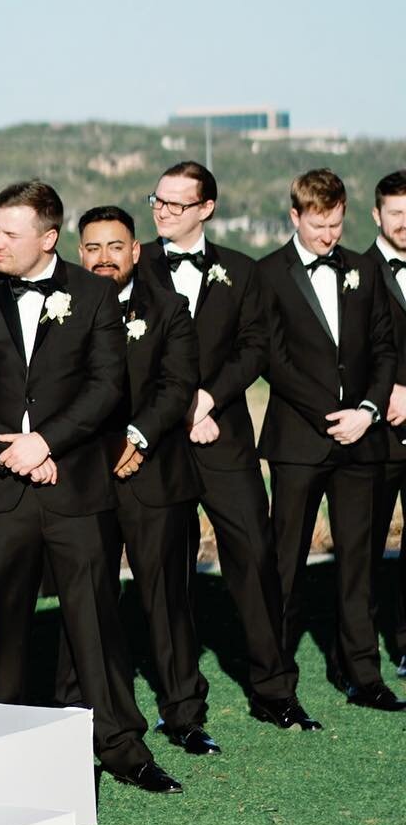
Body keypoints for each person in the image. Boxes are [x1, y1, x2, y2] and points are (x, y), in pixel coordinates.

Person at [0, 181, 179, 793]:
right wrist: (13, 452)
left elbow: (107, 388)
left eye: (9, 233)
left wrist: (46, 444)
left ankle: (122, 748)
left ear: (47, 238)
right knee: (1, 630)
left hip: (76, 487)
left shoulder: (94, 294)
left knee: (95, 623)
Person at [138, 160, 319, 731]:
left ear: (206, 209)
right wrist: (173, 410)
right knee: (168, 570)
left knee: (256, 557)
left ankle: (274, 690)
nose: (163, 212)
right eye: (157, 201)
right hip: (158, 443)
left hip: (224, 439)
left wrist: (207, 401)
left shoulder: (242, 270)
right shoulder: (133, 264)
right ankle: (182, 708)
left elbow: (254, 348)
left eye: (176, 204)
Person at [66, 206, 212, 753]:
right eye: (93, 248)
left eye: (114, 246)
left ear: (135, 250)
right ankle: (82, 712)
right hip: (85, 477)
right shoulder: (64, 310)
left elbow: (178, 384)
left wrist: (139, 436)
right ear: (80, 253)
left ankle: (184, 714)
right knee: (87, 600)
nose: (104, 258)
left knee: (167, 600)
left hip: (156, 475)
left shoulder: (171, 308)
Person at [256, 168, 403, 710]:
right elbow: (272, 358)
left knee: (359, 564)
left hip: (362, 440)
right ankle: (275, 683)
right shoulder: (268, 273)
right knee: (285, 565)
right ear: (295, 216)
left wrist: (366, 410)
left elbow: (385, 348)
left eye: (336, 224)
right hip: (298, 442)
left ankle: (364, 676)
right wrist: (331, 412)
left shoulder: (365, 269)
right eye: (319, 225)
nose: (328, 236)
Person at [365, 170, 406, 677]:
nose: (405, 223)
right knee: (366, 549)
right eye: (397, 212)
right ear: (377, 215)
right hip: (378, 435)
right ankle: (358, 650)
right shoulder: (357, 272)